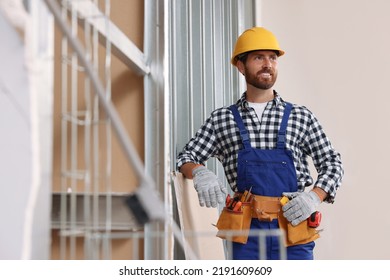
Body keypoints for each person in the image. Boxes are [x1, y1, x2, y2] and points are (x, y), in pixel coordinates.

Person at [176, 27, 344, 260]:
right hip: (246, 234)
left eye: (272, 58)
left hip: (293, 228)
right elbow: (186, 157)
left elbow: (333, 164)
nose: (268, 64)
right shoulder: (222, 119)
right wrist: (200, 172)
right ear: (241, 66)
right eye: (258, 57)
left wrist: (313, 196)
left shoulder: (300, 116)